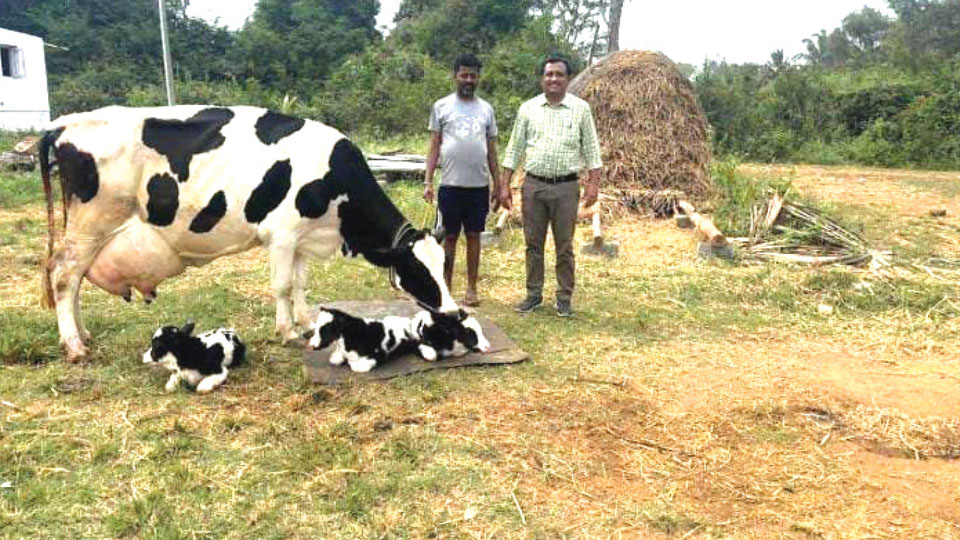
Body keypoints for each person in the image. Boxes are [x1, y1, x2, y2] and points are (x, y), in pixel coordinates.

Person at [498, 55, 603, 318]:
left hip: (566, 188)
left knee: (564, 245)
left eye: (559, 74)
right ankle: (533, 295)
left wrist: (593, 186)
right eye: (549, 74)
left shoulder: (580, 109)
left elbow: (592, 151)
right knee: (533, 243)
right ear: (541, 79)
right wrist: (504, 185)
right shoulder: (528, 109)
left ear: (568, 79)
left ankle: (564, 297)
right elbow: (513, 150)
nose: (554, 79)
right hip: (533, 186)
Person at [424, 52, 500, 307]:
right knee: (450, 237)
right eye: (464, 74)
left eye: (473, 75)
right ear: (455, 76)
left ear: (478, 78)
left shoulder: (486, 109)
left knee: (474, 235)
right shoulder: (441, 106)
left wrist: (498, 185)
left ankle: (471, 288)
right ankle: (445, 289)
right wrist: (427, 182)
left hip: (478, 186)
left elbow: (491, 150)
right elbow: (434, 146)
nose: (469, 79)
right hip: (450, 186)